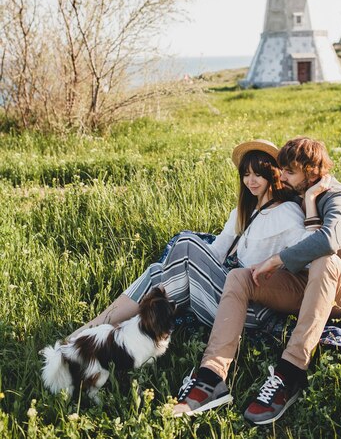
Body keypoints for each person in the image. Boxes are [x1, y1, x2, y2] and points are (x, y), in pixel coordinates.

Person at [173, 137, 341, 424]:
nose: (281, 176)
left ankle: (291, 373)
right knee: (240, 277)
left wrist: (277, 260)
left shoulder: (338, 198)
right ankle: (211, 377)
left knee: (324, 260)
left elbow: (329, 240)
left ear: (311, 172)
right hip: (305, 285)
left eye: (288, 172)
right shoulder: (298, 196)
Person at [70, 139, 320, 342]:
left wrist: (310, 204)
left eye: (258, 174)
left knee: (186, 242)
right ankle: (90, 330)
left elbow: (309, 253)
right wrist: (187, 267)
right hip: (225, 292)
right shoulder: (243, 212)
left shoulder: (287, 213)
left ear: (273, 175)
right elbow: (217, 252)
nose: (250, 181)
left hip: (251, 310)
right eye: (245, 174)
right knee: (157, 271)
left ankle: (131, 335)